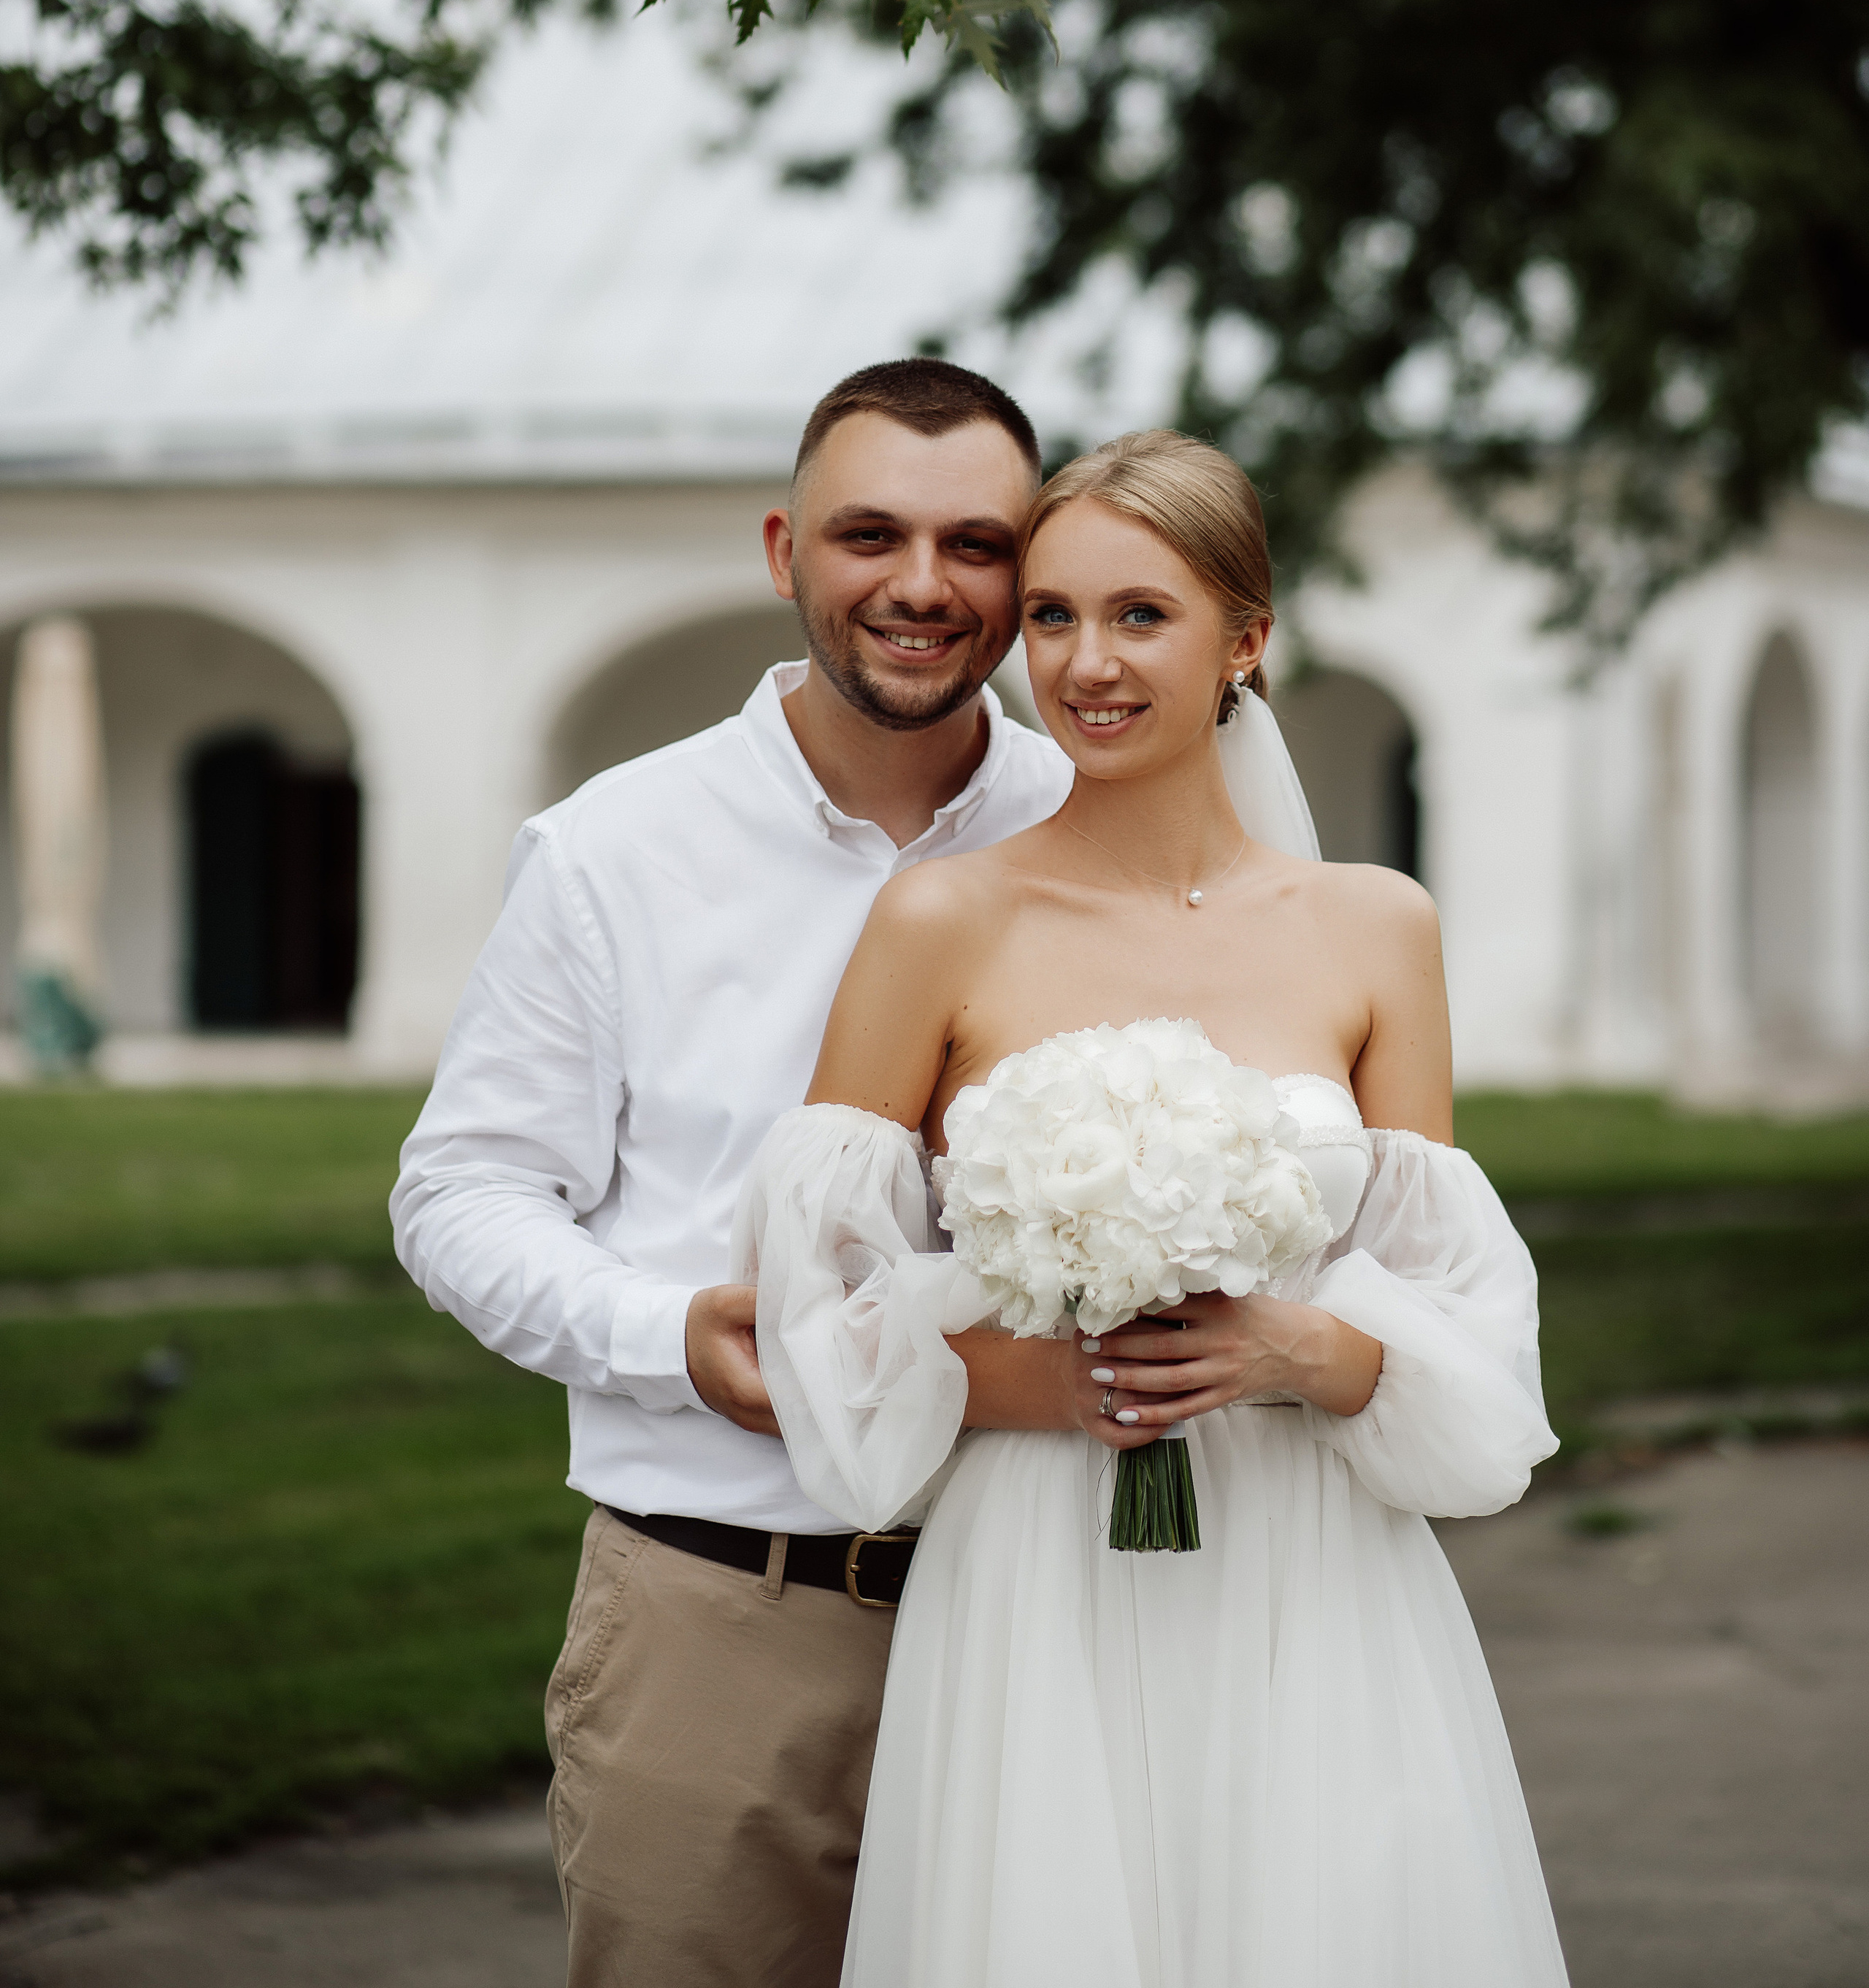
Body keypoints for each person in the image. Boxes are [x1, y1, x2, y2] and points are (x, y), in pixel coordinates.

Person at [738, 429, 1570, 1988]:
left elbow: (1442, 1304)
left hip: (1310, 1564)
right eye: (1048, 617)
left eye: (1139, 616)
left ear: (1245, 640)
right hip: (1039, 1564)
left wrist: (1295, 1356)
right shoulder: (939, 918)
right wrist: (1037, 1380)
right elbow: (813, 1292)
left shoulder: (1375, 928)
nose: (1082, 665)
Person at [390, 358, 1076, 1988]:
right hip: (724, 1612)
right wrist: (666, 1337)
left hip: (1052, 1615)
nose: (921, 587)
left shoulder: (1094, 825)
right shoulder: (614, 850)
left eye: (976, 544)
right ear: (783, 549)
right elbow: (459, 1194)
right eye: (868, 536)